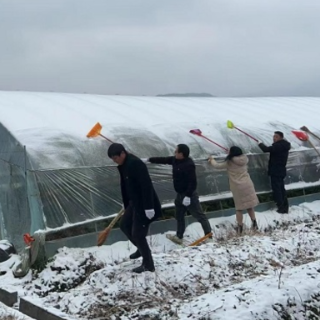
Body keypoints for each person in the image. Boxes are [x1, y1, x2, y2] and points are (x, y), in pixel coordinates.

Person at [107, 143, 162, 273]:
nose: (115, 161)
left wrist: (149, 207)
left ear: (122, 153)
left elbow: (146, 185)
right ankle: (140, 248)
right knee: (124, 225)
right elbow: (126, 186)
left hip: (144, 204)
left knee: (138, 234)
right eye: (113, 159)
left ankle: (148, 265)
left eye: (116, 158)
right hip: (133, 203)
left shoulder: (135, 164)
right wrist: (126, 203)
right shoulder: (123, 166)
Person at [148, 144, 212, 244]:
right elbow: (164, 160)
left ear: (181, 154)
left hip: (189, 195)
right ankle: (179, 236)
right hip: (180, 195)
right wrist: (149, 159)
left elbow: (192, 182)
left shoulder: (189, 164)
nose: (174, 152)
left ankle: (209, 236)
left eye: (176, 151)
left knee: (199, 215)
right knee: (179, 215)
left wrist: (188, 196)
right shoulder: (175, 160)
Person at [208, 146, 259, 234]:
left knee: (239, 208)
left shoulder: (230, 162)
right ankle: (254, 223)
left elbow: (217, 166)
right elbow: (236, 157)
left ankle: (240, 228)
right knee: (249, 205)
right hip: (248, 184)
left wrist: (211, 160)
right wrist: (231, 152)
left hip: (238, 187)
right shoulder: (244, 159)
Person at [258, 131, 291, 214]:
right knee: (281, 189)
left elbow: (266, 149)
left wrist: (260, 144)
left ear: (280, 137)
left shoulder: (278, 146)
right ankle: (285, 207)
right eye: (273, 136)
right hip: (281, 171)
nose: (274, 138)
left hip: (275, 171)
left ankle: (281, 208)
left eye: (276, 136)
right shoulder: (284, 146)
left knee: (277, 190)